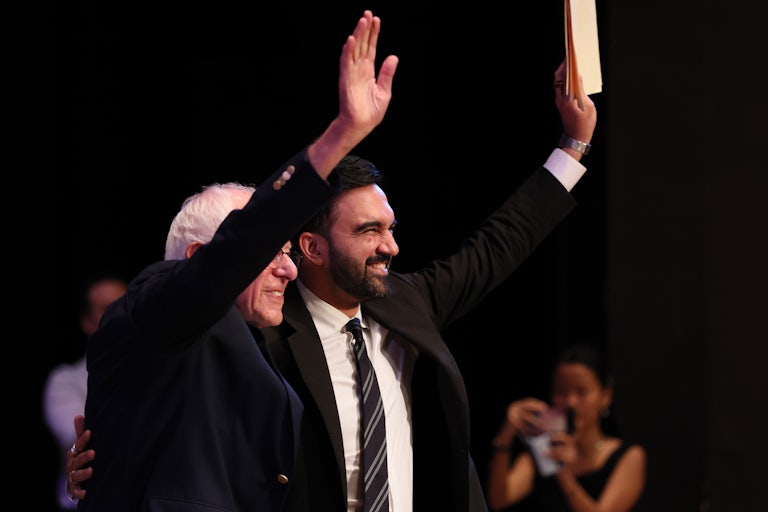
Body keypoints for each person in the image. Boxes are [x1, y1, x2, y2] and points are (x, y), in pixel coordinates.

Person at [69, 60, 596, 511]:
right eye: (368, 230)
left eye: (390, 228)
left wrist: (572, 147)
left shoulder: (406, 303)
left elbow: (496, 248)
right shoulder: (256, 329)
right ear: (314, 247)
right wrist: (111, 457)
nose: (391, 246)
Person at [67, 9, 398, 512]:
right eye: (270, 254)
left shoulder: (253, 341)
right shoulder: (157, 305)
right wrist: (340, 137)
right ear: (199, 259)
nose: (289, 269)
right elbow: (241, 241)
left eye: (287, 253)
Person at [486, 345, 646, 511]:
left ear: (605, 396)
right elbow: (499, 500)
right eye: (561, 391)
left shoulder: (629, 456)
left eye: (581, 392)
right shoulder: (544, 449)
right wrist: (506, 435)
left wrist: (563, 474)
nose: (570, 402)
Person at [43, 275, 128, 510]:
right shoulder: (65, 380)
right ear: (87, 322)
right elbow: (86, 441)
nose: (119, 314)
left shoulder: (154, 373)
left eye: (124, 304)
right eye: (106, 308)